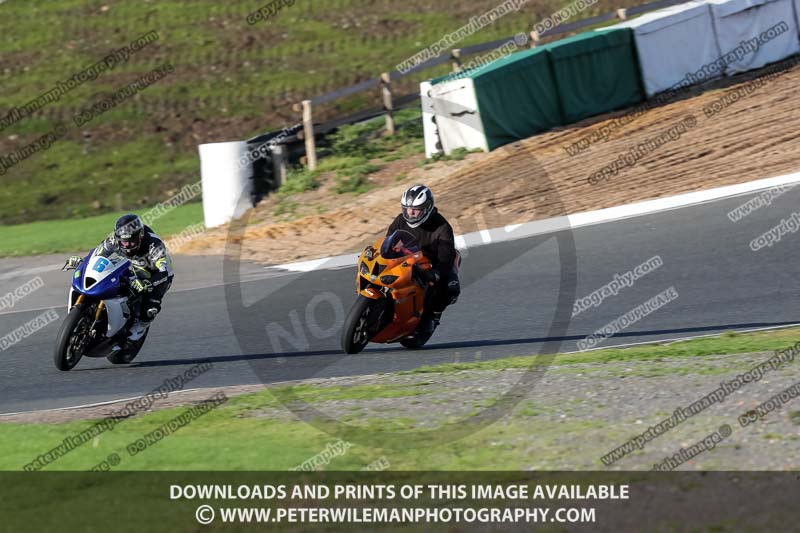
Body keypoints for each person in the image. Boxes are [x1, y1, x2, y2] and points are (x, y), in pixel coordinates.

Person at [64, 214, 174, 340]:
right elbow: (99, 252)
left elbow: (163, 273)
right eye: (123, 241)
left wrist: (148, 283)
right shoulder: (115, 239)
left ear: (140, 236)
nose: (126, 245)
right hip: (131, 266)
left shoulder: (154, 245)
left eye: (130, 241)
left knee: (150, 308)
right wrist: (83, 262)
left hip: (155, 274)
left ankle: (140, 328)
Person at [385, 185, 460, 334]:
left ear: (428, 208)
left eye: (416, 209)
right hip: (406, 258)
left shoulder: (442, 227)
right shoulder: (401, 220)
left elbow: (446, 258)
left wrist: (435, 273)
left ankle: (433, 316)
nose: (411, 213)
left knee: (451, 286)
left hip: (431, 262)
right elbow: (388, 240)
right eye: (407, 208)